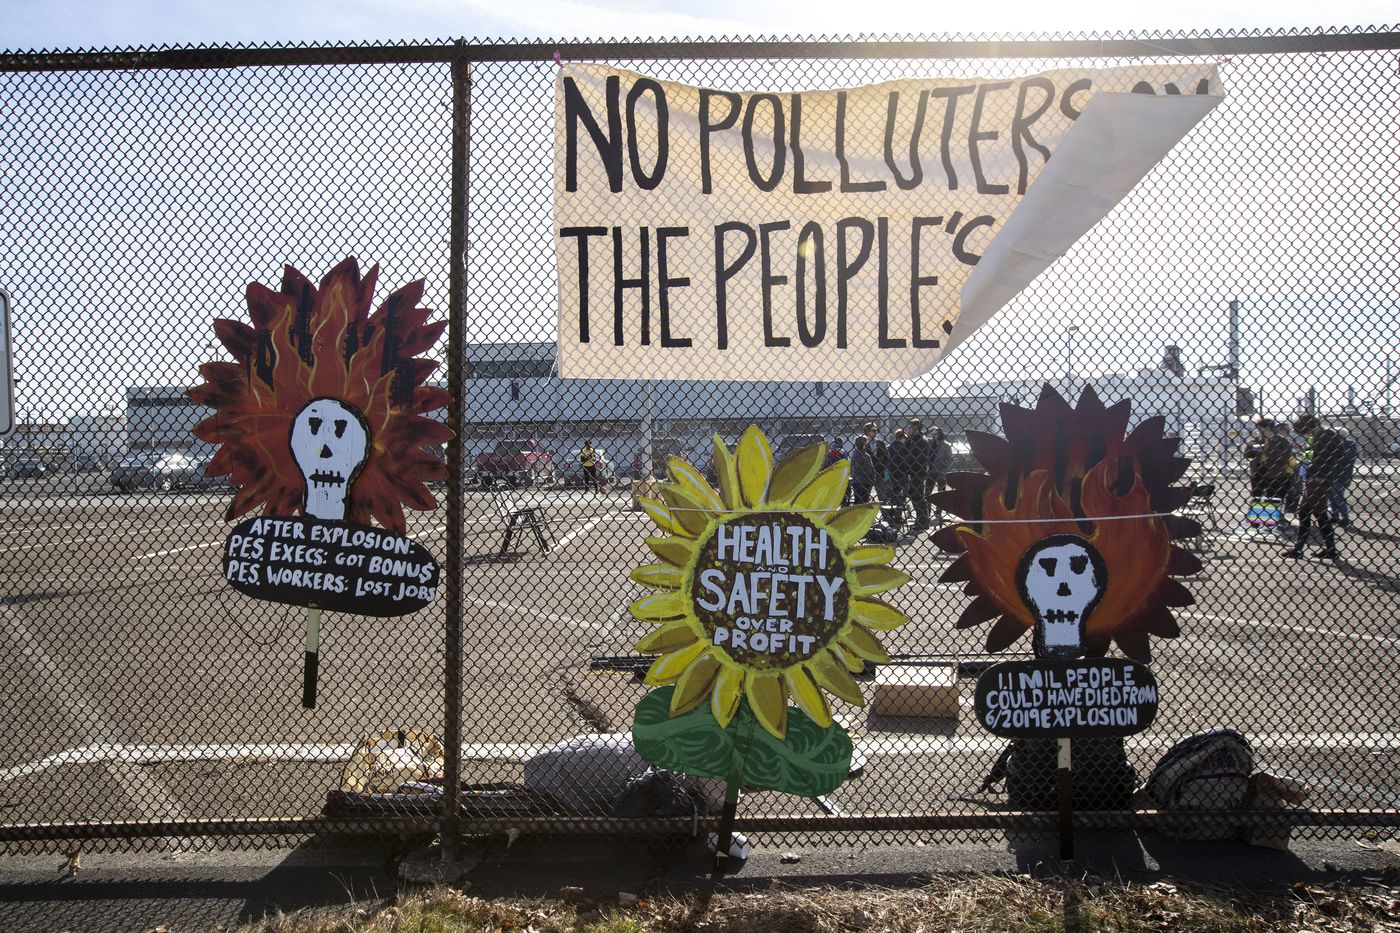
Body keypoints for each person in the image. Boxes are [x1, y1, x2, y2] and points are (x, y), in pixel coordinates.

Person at [1286, 415, 1342, 560]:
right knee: (1312, 512)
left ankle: (1302, 548)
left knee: (1312, 511)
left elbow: (1337, 454)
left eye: (1309, 430)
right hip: (1314, 476)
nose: (1309, 434)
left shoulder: (1328, 435)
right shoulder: (1318, 436)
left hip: (1321, 478)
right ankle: (1327, 548)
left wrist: (1319, 460)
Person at [1246, 419, 1293, 503]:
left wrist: (1267, 447)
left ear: (1268, 428)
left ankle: (1274, 514)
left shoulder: (1282, 441)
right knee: (1256, 496)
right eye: (1258, 429)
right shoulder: (1256, 440)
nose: (1260, 431)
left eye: (1261, 429)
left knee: (1273, 497)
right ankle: (1257, 513)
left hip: (1275, 472)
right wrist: (1250, 448)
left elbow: (1284, 457)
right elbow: (1247, 455)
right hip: (1258, 470)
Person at [906, 419, 932, 531]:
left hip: (918, 472)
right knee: (914, 495)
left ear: (916, 428)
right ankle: (920, 520)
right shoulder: (913, 440)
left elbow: (919, 459)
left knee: (918, 496)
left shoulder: (921, 441)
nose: (908, 429)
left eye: (911, 428)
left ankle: (923, 521)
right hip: (913, 472)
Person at [1330, 428, 1358, 530]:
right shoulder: (1334, 444)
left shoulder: (1349, 444)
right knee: (1332, 497)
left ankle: (1345, 518)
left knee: (1338, 497)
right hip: (1332, 474)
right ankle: (1335, 516)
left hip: (1342, 475)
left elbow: (1345, 458)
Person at [929, 427, 953, 523]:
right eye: (932, 434)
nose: (934, 436)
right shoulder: (930, 443)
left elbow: (950, 459)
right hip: (930, 471)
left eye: (936, 434)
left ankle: (938, 512)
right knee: (927, 492)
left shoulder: (946, 445)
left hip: (940, 471)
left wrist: (944, 470)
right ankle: (927, 511)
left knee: (941, 492)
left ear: (940, 434)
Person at [888, 428, 912, 523]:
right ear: (903, 437)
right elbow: (905, 462)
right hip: (903, 474)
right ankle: (898, 516)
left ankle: (891, 515)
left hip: (892, 474)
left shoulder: (890, 447)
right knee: (902, 497)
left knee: (893, 496)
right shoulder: (903, 448)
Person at [863, 421, 889, 500]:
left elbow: (887, 458)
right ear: (867, 432)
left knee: (882, 497)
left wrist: (884, 468)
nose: (876, 432)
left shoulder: (881, 443)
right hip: (867, 474)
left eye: (876, 430)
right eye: (873, 430)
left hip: (880, 473)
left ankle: (884, 512)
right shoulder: (863, 444)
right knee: (865, 497)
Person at [850, 435, 877, 504]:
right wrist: (872, 479)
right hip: (865, 482)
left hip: (856, 481)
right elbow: (868, 470)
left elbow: (851, 467)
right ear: (864, 444)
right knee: (864, 501)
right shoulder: (866, 456)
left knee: (857, 500)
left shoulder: (853, 454)